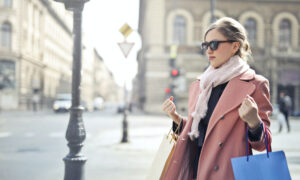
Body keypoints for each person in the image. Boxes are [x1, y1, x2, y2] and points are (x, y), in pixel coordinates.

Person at [161, 17, 272, 180]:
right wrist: (176, 119)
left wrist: (254, 121)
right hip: (196, 169)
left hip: (226, 172)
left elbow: (263, 145)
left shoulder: (255, 84)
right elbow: (201, 132)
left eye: (214, 44)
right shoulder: (201, 84)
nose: (208, 51)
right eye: (205, 45)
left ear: (235, 46)